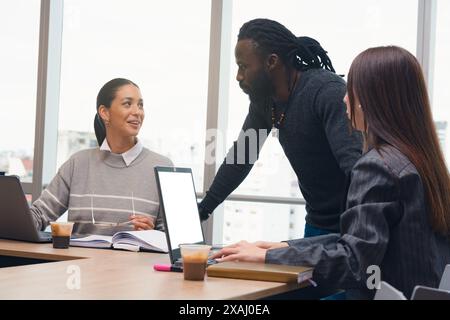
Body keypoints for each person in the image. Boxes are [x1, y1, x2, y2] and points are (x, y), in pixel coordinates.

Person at [211, 46, 450, 299]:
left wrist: (269, 257)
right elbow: (361, 240)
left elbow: (355, 262)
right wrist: (282, 247)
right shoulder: (419, 161)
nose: (344, 99)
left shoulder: (378, 166)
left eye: (351, 90)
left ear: (372, 98)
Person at [199, 18, 362, 237]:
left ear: (271, 62)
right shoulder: (265, 102)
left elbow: (356, 169)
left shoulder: (326, 92)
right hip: (317, 223)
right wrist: (203, 209)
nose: (238, 76)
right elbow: (241, 158)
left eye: (244, 67)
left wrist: (363, 232)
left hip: (353, 224)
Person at [30, 78, 173, 236]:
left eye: (140, 105)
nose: (137, 112)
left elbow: (175, 240)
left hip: (134, 261)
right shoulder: (77, 164)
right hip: (78, 261)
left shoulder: (162, 167)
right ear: (105, 113)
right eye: (127, 104)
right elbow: (39, 215)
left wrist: (153, 236)